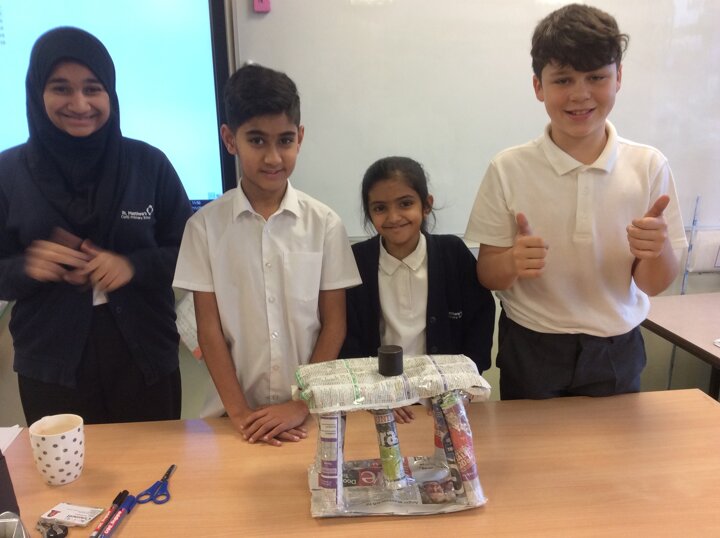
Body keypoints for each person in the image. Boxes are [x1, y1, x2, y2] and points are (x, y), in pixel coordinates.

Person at [465, 4, 687, 400]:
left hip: (616, 346)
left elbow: (653, 284)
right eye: (563, 79)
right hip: (532, 344)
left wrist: (656, 251)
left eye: (596, 77)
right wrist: (512, 261)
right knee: (532, 440)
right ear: (539, 87)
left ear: (618, 78)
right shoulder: (508, 168)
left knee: (614, 441)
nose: (580, 94)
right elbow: (488, 274)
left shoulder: (649, 166)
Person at [0, 27, 192, 425]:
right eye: (61, 88)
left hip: (145, 356)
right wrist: (27, 267)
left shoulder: (149, 164)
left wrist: (132, 266)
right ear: (37, 92)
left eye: (92, 88)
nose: (79, 103)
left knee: (153, 461)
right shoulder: (8, 173)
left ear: (110, 94)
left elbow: (191, 254)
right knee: (66, 467)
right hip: (51, 365)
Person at [173, 64, 361, 446]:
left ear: (300, 138)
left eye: (285, 140)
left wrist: (301, 403)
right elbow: (209, 330)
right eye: (257, 140)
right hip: (232, 419)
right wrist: (241, 414)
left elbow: (334, 324)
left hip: (310, 417)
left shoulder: (324, 224)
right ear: (230, 139)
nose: (274, 157)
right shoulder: (203, 228)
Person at [341, 157, 495, 422]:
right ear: (369, 213)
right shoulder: (357, 261)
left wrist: (458, 387)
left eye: (405, 203)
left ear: (426, 205)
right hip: (380, 404)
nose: (393, 217)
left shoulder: (453, 254)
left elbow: (479, 325)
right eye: (380, 208)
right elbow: (348, 338)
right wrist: (375, 394)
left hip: (447, 402)